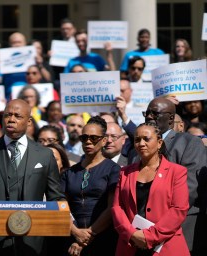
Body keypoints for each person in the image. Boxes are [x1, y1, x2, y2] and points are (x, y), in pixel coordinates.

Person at [0, 99, 65, 255]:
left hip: (31, 242)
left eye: (17, 116)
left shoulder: (44, 155)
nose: (11, 119)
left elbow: (55, 197)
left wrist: (64, 216)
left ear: (29, 122)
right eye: (7, 115)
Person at [119, 97, 207, 254]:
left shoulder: (189, 143)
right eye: (147, 113)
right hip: (138, 235)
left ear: (171, 118)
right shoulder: (136, 150)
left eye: (155, 113)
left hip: (176, 230)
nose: (150, 117)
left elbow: (190, 189)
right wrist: (136, 231)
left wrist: (156, 229)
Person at [112, 123, 190, 256]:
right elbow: (117, 208)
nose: (141, 143)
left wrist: (149, 236)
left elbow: (179, 209)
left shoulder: (177, 172)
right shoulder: (124, 172)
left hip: (166, 247)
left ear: (159, 143)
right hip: (131, 245)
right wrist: (132, 234)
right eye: (137, 139)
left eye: (146, 139)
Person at [61, 116, 120, 256]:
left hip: (103, 238)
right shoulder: (69, 172)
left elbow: (112, 207)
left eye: (93, 138)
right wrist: (75, 232)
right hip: (71, 239)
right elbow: (61, 207)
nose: (88, 141)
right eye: (84, 138)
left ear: (104, 140)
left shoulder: (113, 169)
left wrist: (86, 237)